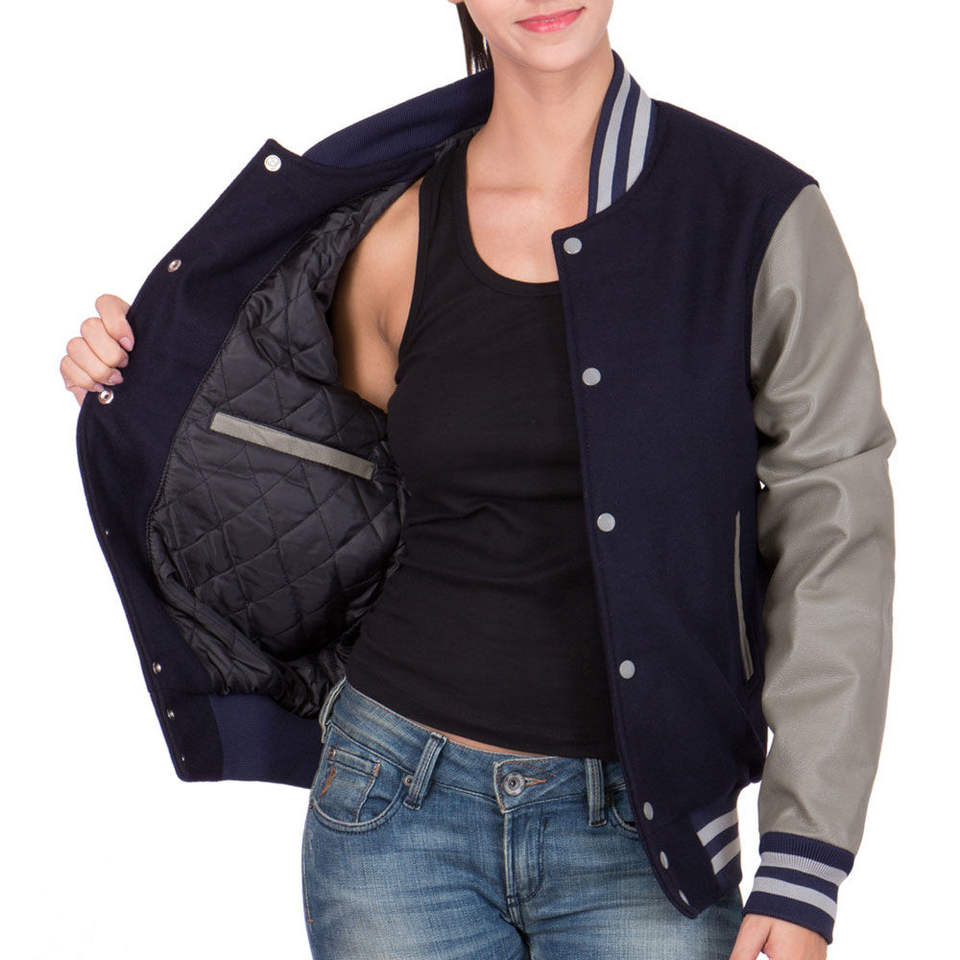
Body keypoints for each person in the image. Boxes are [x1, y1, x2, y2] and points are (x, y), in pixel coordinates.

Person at [60, 3, 896, 959]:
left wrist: (806, 858)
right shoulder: (395, 227)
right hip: (393, 807)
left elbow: (836, 530)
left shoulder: (756, 216)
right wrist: (132, 373)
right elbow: (292, 444)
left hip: (650, 834)